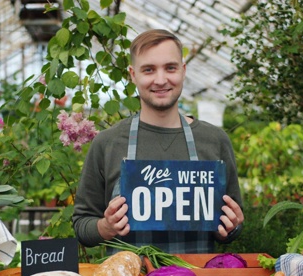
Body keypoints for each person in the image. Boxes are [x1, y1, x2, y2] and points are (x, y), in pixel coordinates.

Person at [72, 29, 244, 253]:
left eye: (170, 68)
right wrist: (105, 227)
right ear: (133, 75)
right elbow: (82, 224)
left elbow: (232, 224)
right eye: (149, 70)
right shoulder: (108, 143)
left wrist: (232, 227)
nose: (161, 80)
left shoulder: (214, 140)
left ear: (183, 71)